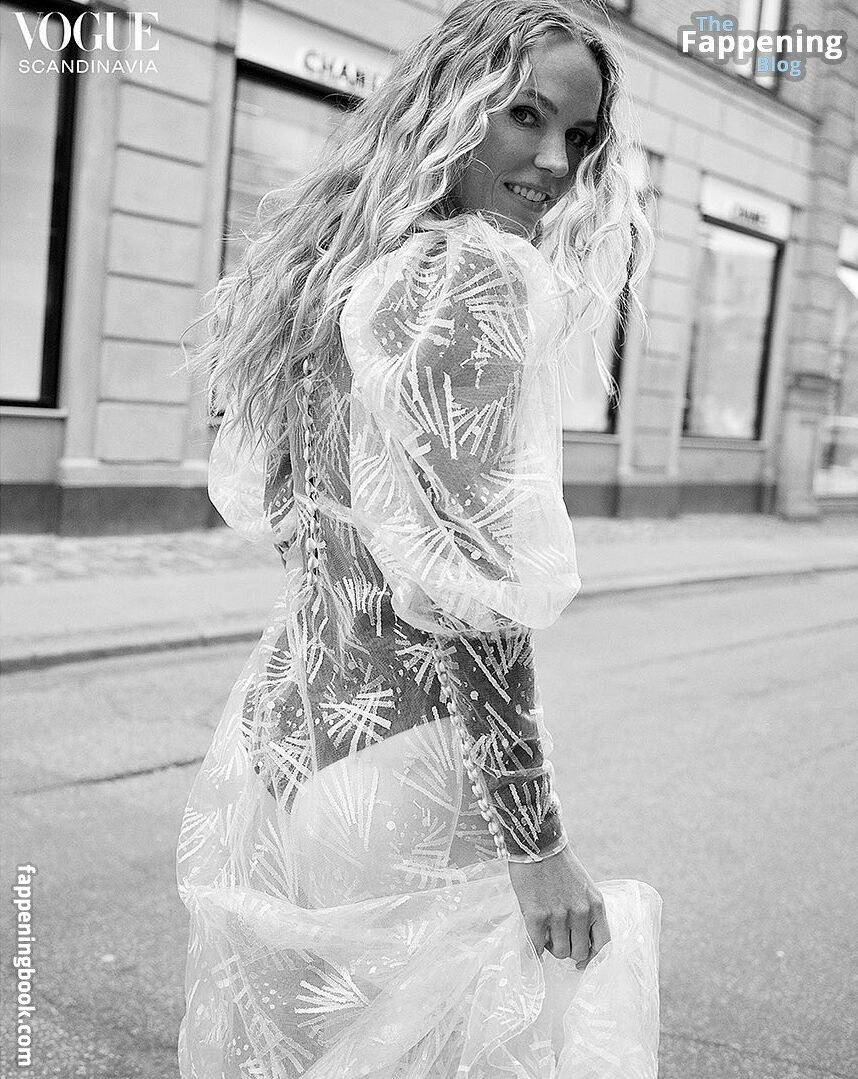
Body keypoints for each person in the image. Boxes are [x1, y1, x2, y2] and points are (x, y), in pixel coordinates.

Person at [176, 1, 662, 1075]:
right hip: (403, 764)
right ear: (450, 106)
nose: (555, 163)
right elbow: (471, 600)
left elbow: (299, 525)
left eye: (580, 136)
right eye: (525, 116)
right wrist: (536, 844)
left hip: (276, 745)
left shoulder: (327, 268)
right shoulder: (472, 281)